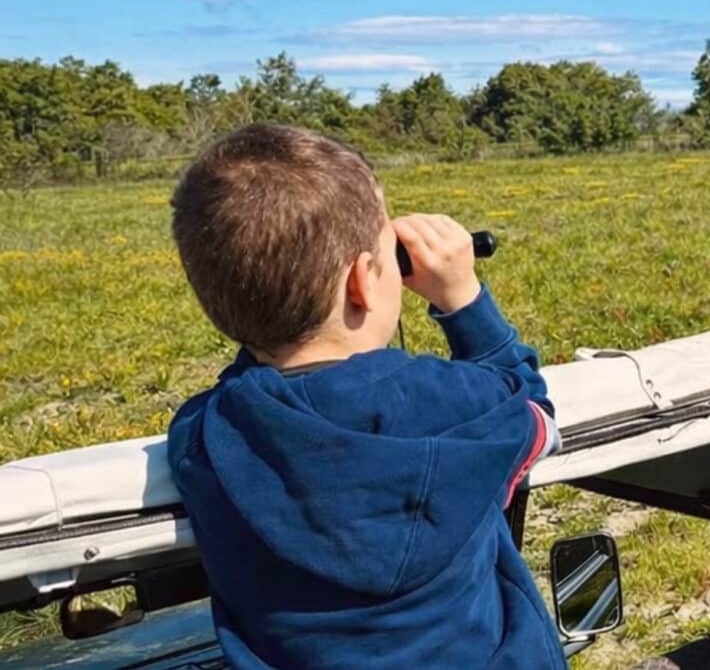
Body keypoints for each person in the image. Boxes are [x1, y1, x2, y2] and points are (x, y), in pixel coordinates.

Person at [165, 123, 564, 669]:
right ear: (363, 281)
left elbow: (253, 380)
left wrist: (258, 312)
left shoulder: (206, 433)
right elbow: (534, 410)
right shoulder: (455, 401)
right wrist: (462, 298)